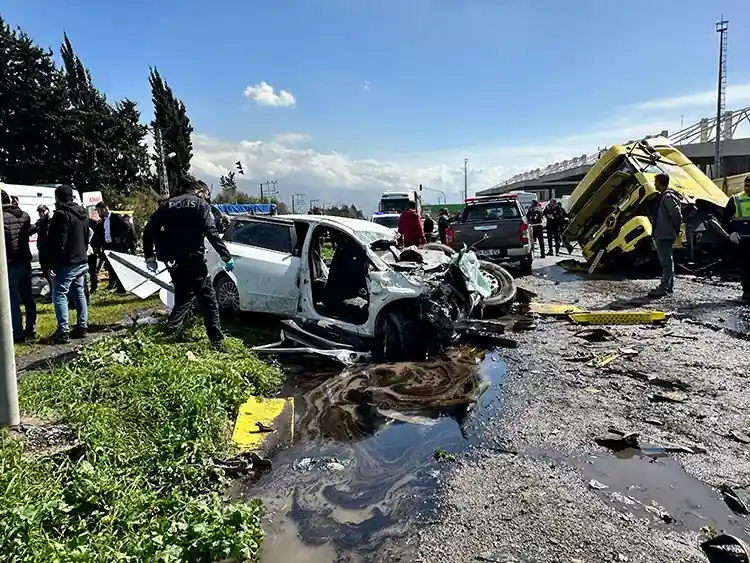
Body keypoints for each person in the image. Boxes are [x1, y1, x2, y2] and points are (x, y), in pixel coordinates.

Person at [143, 176, 234, 350]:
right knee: (208, 299)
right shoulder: (201, 205)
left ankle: (170, 332)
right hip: (194, 259)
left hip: (172, 261)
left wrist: (150, 256)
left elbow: (149, 230)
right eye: (205, 194)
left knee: (183, 295)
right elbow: (211, 231)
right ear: (200, 191)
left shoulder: (167, 205)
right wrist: (225, 255)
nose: (206, 198)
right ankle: (217, 342)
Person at [47, 185, 90, 343]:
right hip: (81, 258)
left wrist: (52, 263)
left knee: (59, 294)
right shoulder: (83, 214)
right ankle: (82, 326)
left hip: (66, 261)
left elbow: (58, 242)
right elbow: (87, 237)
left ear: (58, 198)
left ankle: (63, 331)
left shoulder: (61, 215)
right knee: (79, 291)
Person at [2, 190, 37, 341]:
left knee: (12, 299)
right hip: (24, 260)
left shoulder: (2, 218)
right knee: (28, 296)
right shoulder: (24, 215)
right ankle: (31, 327)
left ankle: (17, 331)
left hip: (10, 263)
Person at [648, 173, 683, 298]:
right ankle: (668, 285)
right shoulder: (665, 196)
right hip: (664, 232)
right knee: (668, 260)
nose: (654, 184)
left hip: (664, 233)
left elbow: (676, 214)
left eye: (655, 182)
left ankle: (663, 288)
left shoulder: (667, 197)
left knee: (666, 262)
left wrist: (675, 228)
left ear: (660, 182)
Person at [94, 202, 136, 293]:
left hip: (116, 246)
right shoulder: (102, 221)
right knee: (109, 266)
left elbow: (127, 227)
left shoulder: (116, 217)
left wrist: (120, 238)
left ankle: (122, 286)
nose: (98, 214)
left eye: (98, 211)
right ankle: (112, 283)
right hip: (107, 246)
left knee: (118, 267)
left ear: (103, 209)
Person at [724, 175, 750, 302]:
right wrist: (731, 232)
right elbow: (725, 218)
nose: (748, 188)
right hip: (743, 240)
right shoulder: (736, 199)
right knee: (745, 267)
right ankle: (747, 291)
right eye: (746, 185)